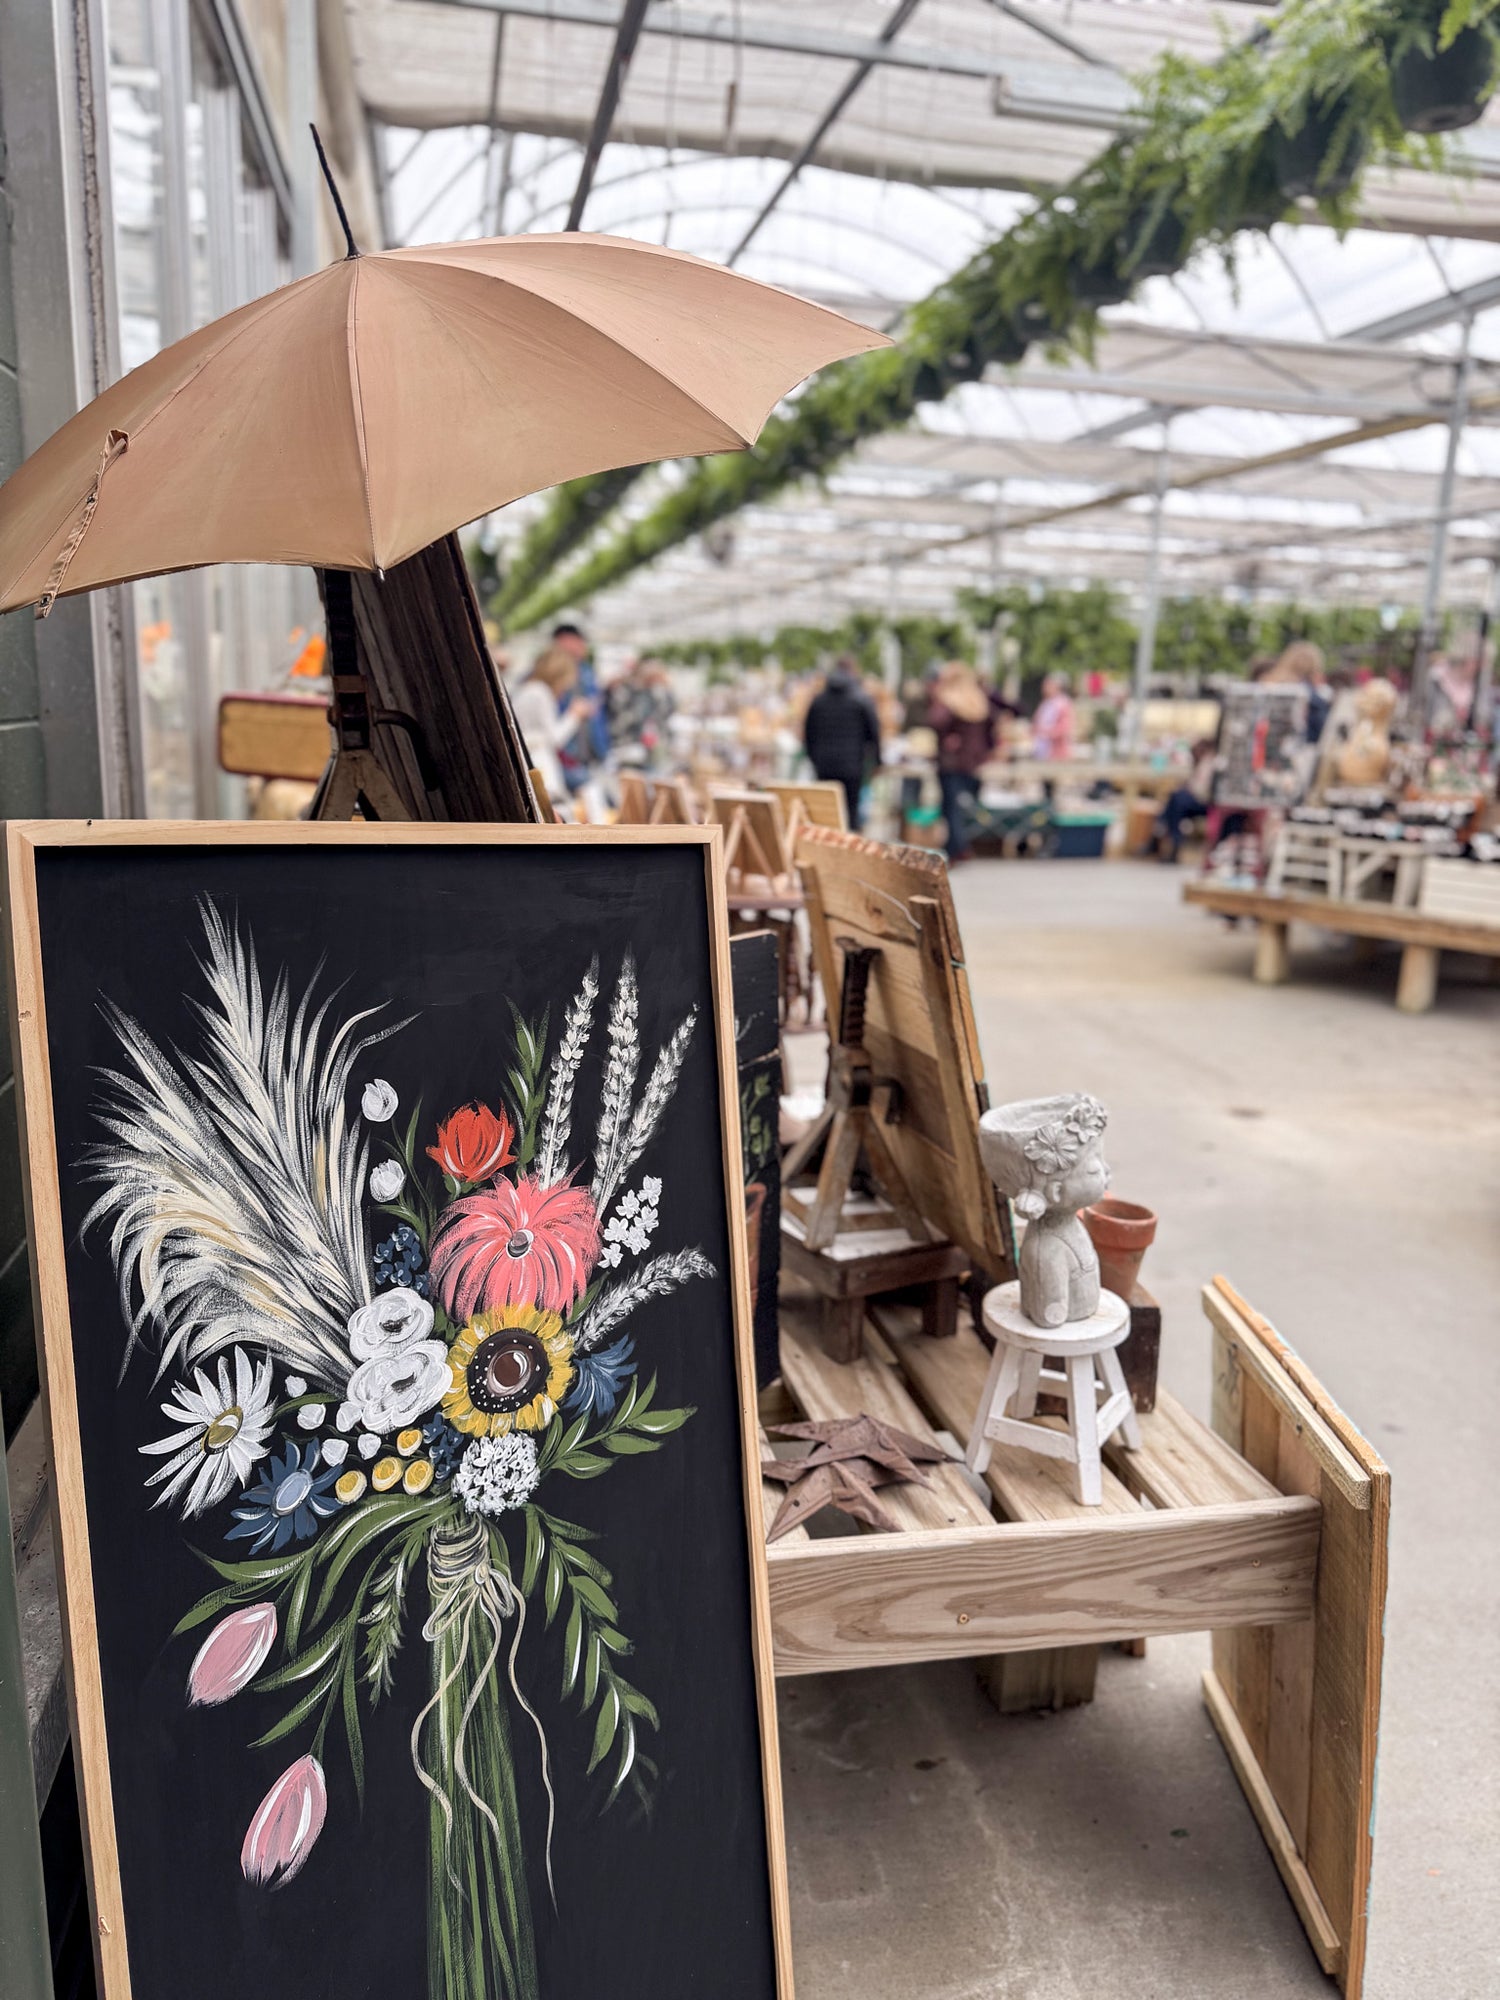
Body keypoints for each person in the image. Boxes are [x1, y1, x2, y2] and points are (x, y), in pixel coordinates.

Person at [929, 659, 1005, 863]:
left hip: (951, 762)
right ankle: (962, 843)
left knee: (951, 807)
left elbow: (936, 722)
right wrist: (987, 749)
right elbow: (993, 724)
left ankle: (957, 847)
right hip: (975, 762)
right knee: (964, 806)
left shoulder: (948, 699)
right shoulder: (977, 698)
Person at [802, 655, 881, 830]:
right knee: (850, 813)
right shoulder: (861, 699)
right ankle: (848, 850)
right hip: (852, 765)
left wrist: (814, 758)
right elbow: (874, 733)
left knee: (825, 814)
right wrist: (877, 761)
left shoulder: (818, 700)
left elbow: (808, 733)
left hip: (824, 765)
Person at [512, 645, 595, 806]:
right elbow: (554, 739)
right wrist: (574, 715)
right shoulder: (541, 693)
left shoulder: (529, 689)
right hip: (539, 764)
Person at [551, 621, 609, 788]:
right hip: (564, 755)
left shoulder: (587, 672)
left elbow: (599, 713)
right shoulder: (551, 676)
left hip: (590, 752)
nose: (580, 647)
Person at [1148, 738, 1217, 863]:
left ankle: (1158, 836)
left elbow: (1201, 790)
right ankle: (1167, 840)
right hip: (1195, 800)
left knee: (1177, 800)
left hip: (1205, 804)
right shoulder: (1203, 763)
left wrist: (1189, 789)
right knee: (1175, 800)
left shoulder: (1210, 763)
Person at [1031, 671, 1076, 763]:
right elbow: (1036, 722)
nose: (1044, 687)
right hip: (1042, 749)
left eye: (1048, 684)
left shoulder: (1063, 703)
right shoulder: (1045, 703)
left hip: (1056, 752)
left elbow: (1064, 729)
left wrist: (1046, 732)